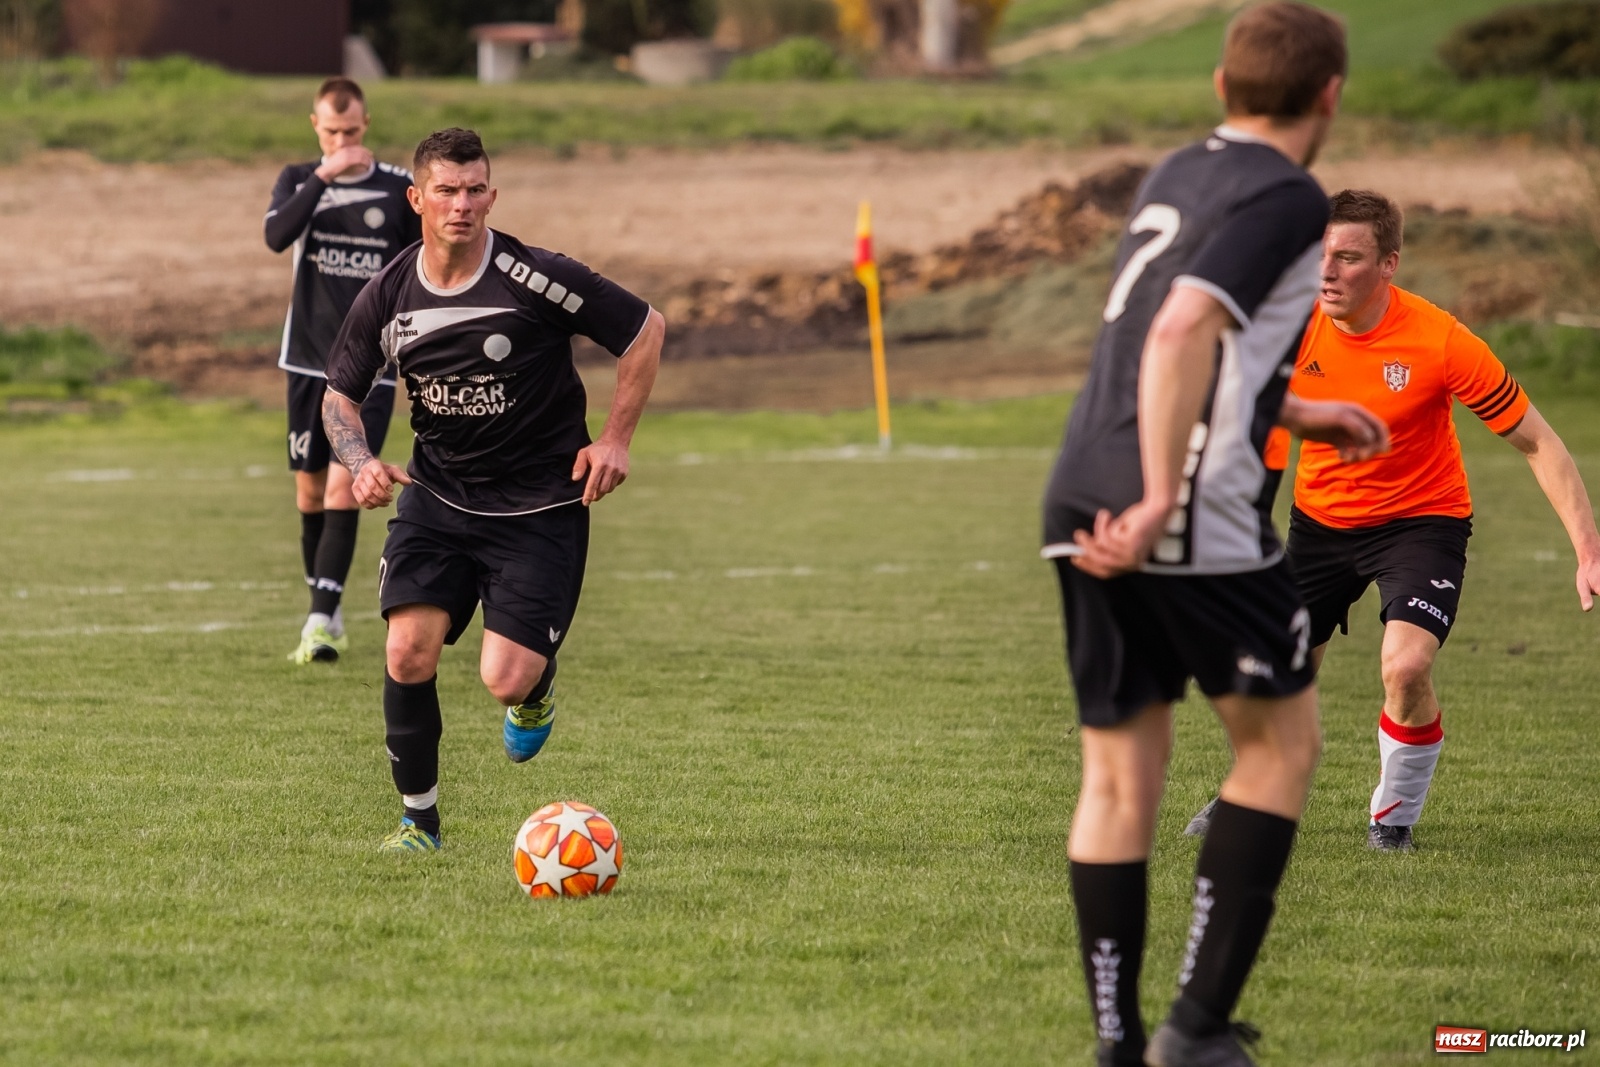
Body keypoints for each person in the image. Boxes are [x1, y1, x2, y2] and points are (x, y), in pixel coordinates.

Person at [1040, 6, 1388, 1065]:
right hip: (1179, 507)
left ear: (1217, 83)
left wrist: (1297, 412)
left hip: (1075, 492)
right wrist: (1158, 497)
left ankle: (1117, 1038)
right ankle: (1193, 1028)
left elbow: (1172, 341)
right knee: (1280, 745)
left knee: (1115, 775)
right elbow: (1186, 326)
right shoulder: (1288, 194)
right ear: (1328, 94)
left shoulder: (1174, 172)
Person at [1186, 189, 1600, 852]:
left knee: (1406, 668)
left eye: (1348, 258)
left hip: (1421, 524)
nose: (1328, 272)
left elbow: (1538, 441)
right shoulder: (1287, 328)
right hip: (1319, 525)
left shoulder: (1439, 340)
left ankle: (1394, 816)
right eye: (1321, 256)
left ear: (1388, 265)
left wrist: (1588, 549)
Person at [321, 128, 665, 853]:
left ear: (493, 195)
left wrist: (615, 440)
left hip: (539, 505)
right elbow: (339, 398)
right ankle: (420, 824)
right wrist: (359, 461)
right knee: (406, 649)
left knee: (504, 680)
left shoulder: (534, 276)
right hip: (438, 497)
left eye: (476, 188)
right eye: (446, 190)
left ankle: (536, 689)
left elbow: (643, 330)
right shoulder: (389, 294)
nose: (462, 204)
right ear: (416, 198)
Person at [264, 76, 421, 664]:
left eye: (352, 131)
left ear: (366, 124)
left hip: (368, 367)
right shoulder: (299, 179)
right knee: (308, 494)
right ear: (315, 126)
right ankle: (323, 609)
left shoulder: (397, 188)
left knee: (341, 486)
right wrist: (326, 174)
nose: (344, 140)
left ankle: (320, 622)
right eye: (332, 132)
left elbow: (419, 263)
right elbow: (277, 236)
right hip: (304, 359)